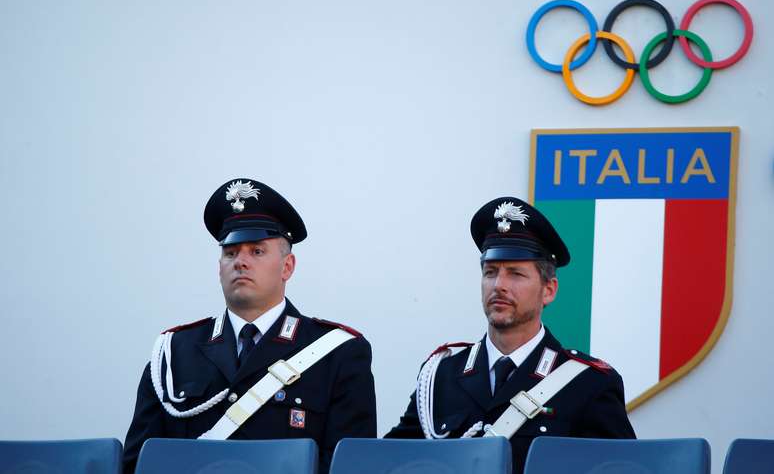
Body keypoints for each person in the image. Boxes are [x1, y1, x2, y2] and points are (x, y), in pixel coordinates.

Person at [123, 178, 377, 473]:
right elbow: (137, 464)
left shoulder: (338, 353)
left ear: (287, 267)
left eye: (256, 251)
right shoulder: (174, 353)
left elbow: (350, 467)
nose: (240, 262)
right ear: (219, 267)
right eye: (230, 252)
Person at [385, 196, 635, 473]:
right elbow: (394, 462)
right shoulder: (441, 374)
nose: (499, 285)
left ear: (549, 290)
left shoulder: (588, 384)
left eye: (515, 274)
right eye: (490, 272)